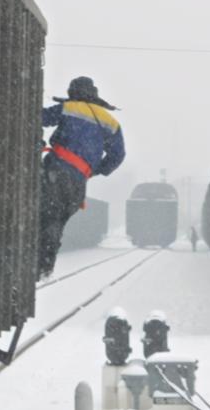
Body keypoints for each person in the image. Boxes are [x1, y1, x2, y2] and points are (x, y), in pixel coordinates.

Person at [38, 77, 125, 279]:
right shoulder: (110, 122)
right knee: (58, 220)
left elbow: (39, 117)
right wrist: (95, 170)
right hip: (78, 183)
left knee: (45, 215)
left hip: (56, 170)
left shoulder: (70, 108)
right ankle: (45, 265)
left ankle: (37, 262)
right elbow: (118, 156)